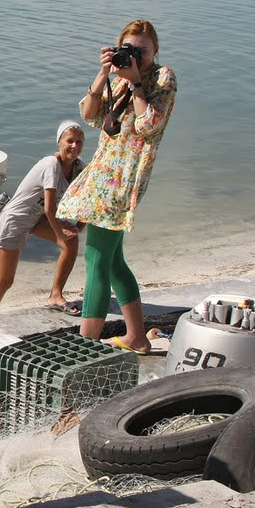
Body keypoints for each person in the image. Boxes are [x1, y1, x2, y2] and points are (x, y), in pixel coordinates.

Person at [56, 19, 177, 353]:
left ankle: (86, 343)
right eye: (129, 50)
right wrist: (104, 74)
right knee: (112, 261)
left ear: (155, 50)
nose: (136, 56)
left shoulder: (162, 77)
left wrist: (137, 81)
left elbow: (148, 125)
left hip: (123, 179)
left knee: (95, 259)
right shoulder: (119, 79)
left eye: (142, 50)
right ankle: (136, 336)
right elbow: (91, 116)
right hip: (103, 172)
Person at [0, 120, 86, 315]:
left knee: (71, 242)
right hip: (15, 220)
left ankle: (55, 295)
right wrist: (60, 233)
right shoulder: (51, 165)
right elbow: (49, 208)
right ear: (59, 143)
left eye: (79, 142)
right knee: (5, 281)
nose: (75, 146)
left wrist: (79, 227)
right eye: (70, 141)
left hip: (37, 220)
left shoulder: (79, 168)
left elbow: (92, 199)